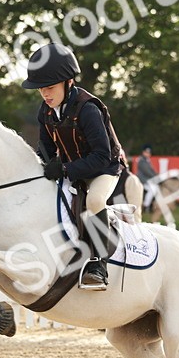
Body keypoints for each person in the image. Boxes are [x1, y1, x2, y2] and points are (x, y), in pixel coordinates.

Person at [22, 43, 141, 290]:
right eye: (41, 88)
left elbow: (100, 156)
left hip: (104, 168)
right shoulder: (45, 112)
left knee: (95, 201)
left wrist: (65, 170)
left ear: (68, 82)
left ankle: (99, 264)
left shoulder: (88, 110)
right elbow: (44, 150)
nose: (45, 93)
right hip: (74, 167)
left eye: (50, 87)